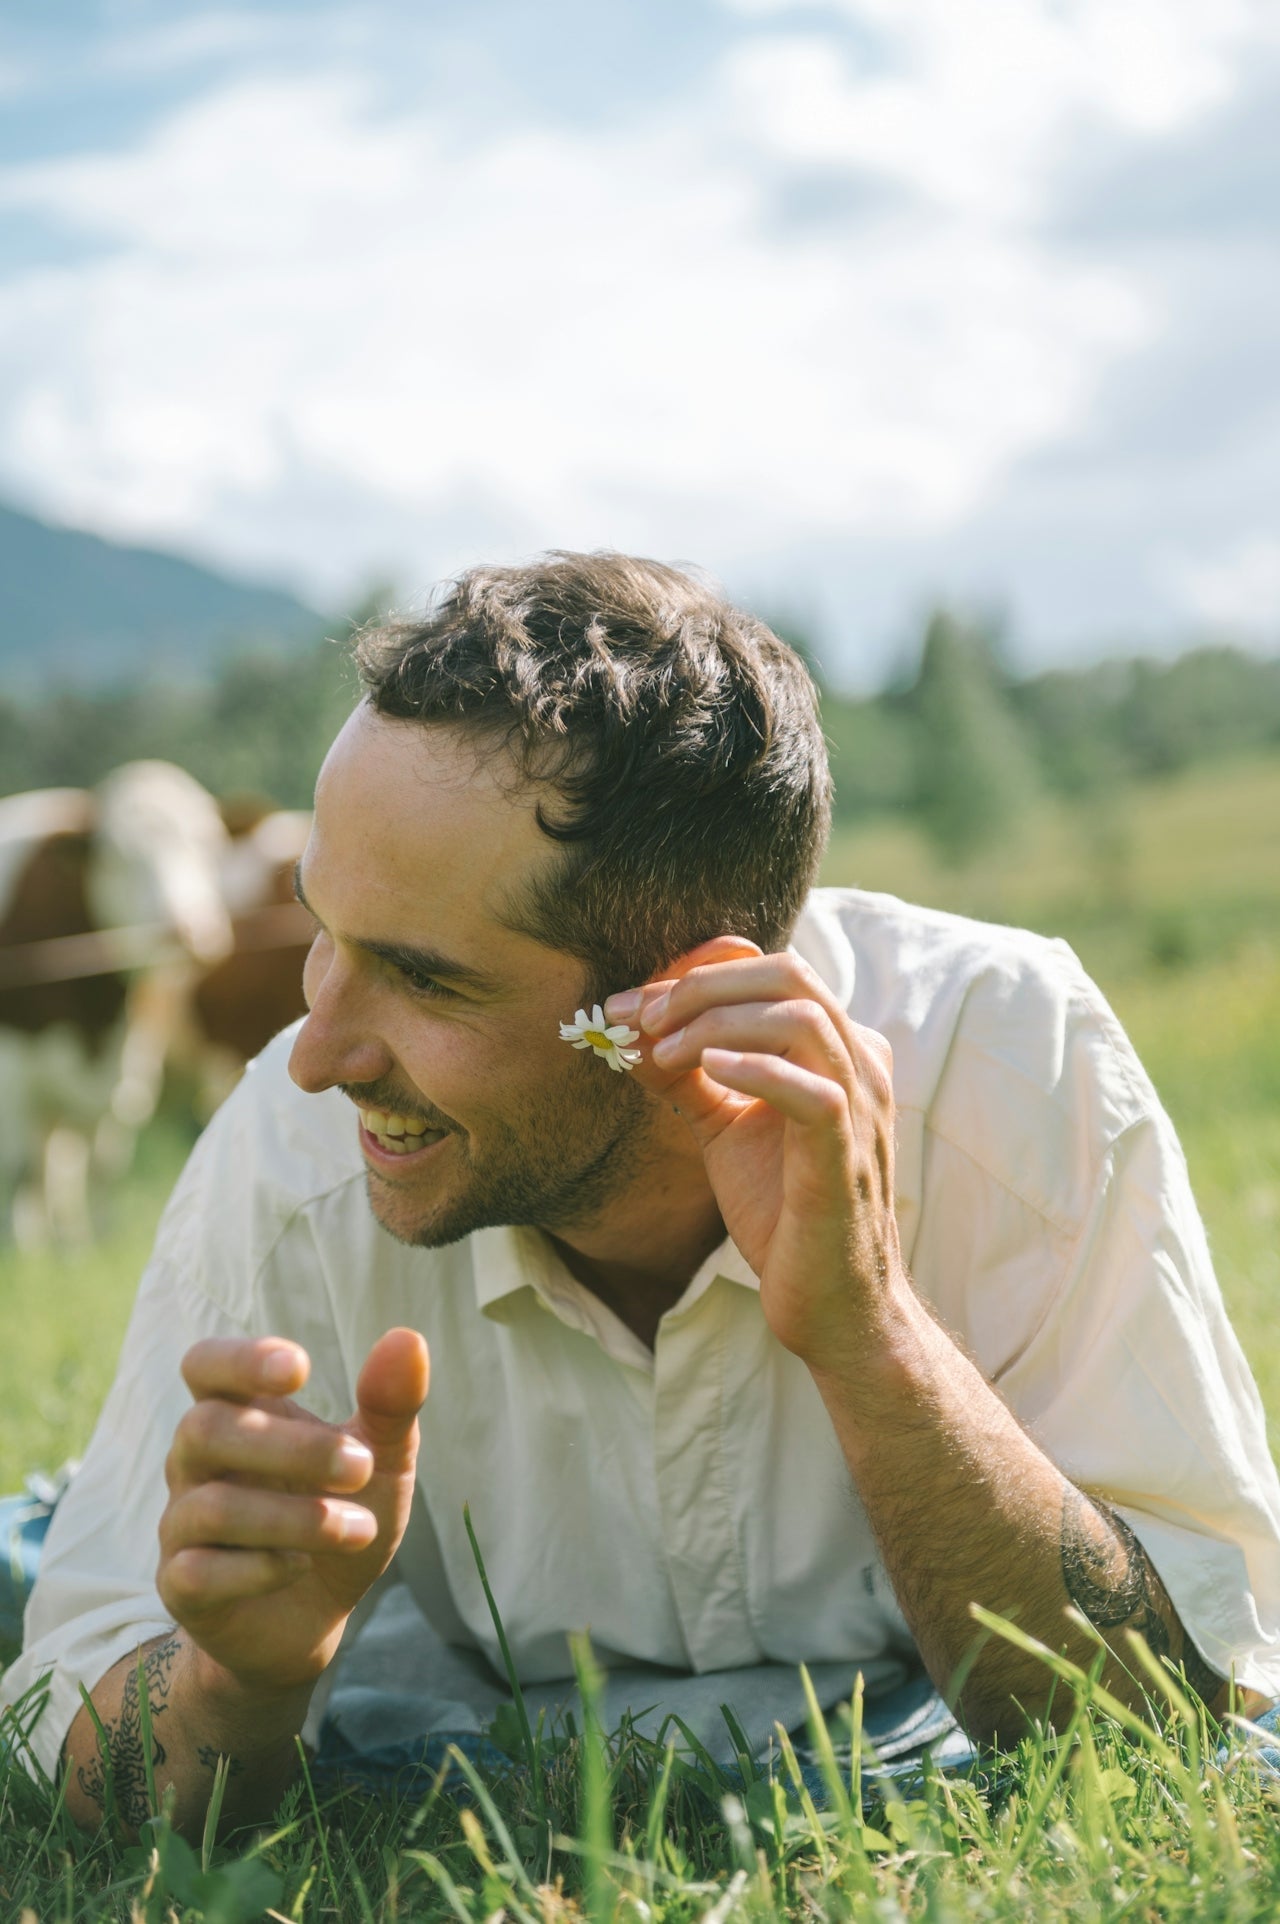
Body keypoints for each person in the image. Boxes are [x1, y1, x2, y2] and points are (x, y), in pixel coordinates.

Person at [3, 552, 1279, 1841]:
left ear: (667, 1007)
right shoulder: (291, 1149)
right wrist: (238, 1684)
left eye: (427, 980)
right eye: (320, 931)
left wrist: (874, 1333)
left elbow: (1180, 1719)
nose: (318, 1054)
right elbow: (69, 1723)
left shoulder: (1006, 1060)